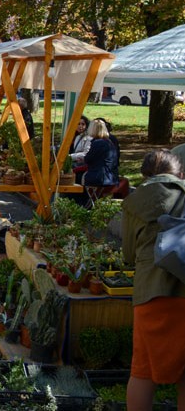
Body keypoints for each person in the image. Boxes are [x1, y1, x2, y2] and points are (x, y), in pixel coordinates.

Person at [122, 150, 185, 411]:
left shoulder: (134, 202)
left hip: (150, 292)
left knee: (142, 371)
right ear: (179, 173)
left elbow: (128, 254)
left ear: (144, 174)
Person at [82, 119, 119, 188]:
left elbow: (88, 159)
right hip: (110, 176)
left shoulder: (97, 143)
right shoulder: (109, 142)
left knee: (78, 176)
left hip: (100, 177)